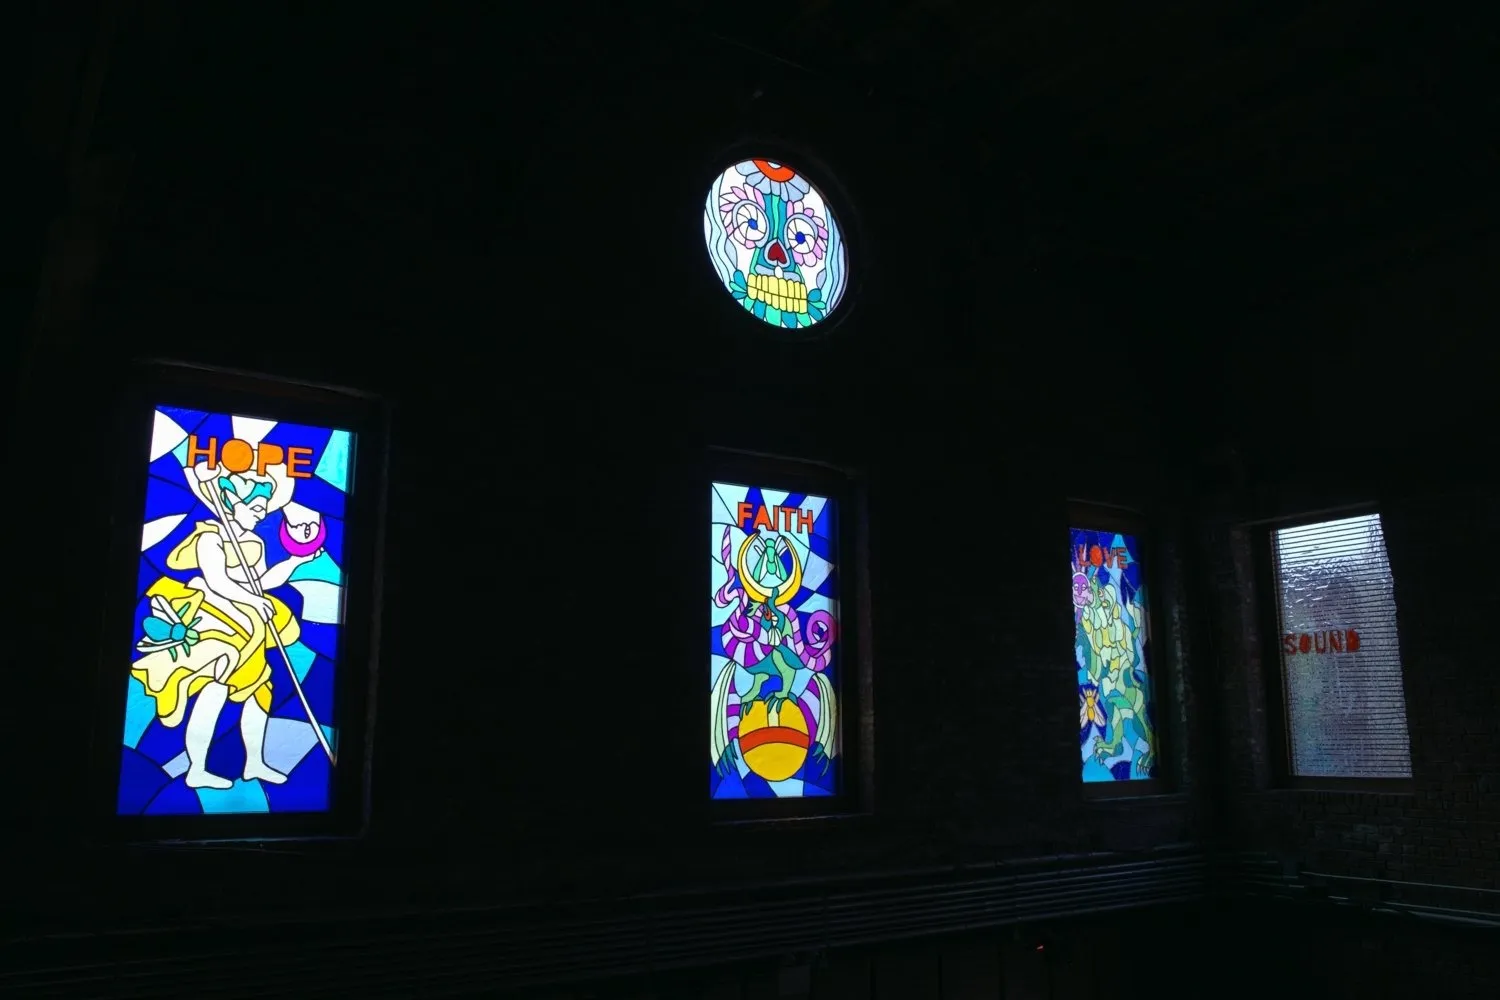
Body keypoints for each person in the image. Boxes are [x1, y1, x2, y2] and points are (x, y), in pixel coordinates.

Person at [131, 463, 322, 789]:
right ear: (234, 502)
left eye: (264, 508)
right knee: (215, 688)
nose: (262, 515)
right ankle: (197, 768)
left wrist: (295, 561)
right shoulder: (209, 537)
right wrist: (252, 601)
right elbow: (218, 581)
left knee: (261, 690)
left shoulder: (255, 544)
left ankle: (255, 763)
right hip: (217, 622)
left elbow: (260, 582)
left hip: (250, 626)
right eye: (257, 508)